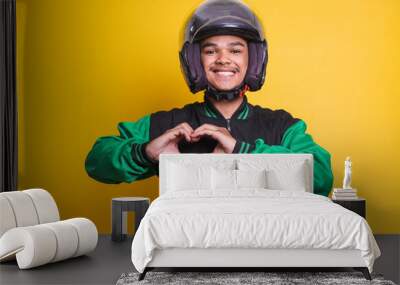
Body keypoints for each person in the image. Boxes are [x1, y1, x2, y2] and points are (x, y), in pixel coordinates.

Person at [85, 0, 333, 196]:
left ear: (253, 59)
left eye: (235, 50)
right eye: (211, 51)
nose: (223, 59)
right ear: (194, 61)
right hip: (189, 246)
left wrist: (242, 151)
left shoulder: (281, 126)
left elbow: (320, 175)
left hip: (265, 247)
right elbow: (96, 161)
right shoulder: (169, 123)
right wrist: (145, 152)